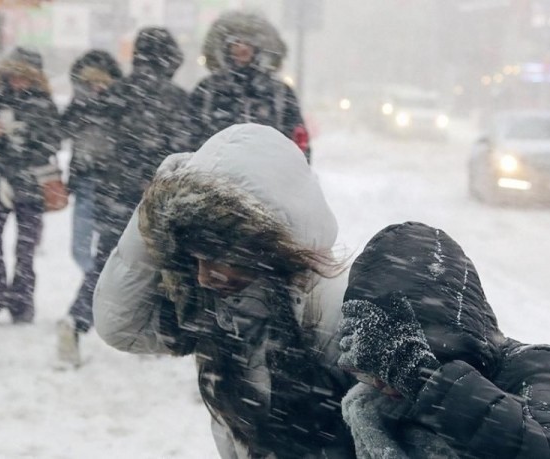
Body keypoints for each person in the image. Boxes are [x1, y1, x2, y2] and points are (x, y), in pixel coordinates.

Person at [93, 123, 356, 457]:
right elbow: (120, 325)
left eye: (219, 257)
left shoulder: (334, 307)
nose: (204, 276)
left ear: (269, 247)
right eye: (195, 258)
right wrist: (156, 210)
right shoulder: (217, 309)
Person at [337, 221, 550, 458]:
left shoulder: (536, 366)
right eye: (369, 372)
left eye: (393, 366)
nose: (380, 384)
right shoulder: (370, 407)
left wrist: (428, 381)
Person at [57, 28, 191, 367]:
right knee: (164, 264)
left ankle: (76, 321)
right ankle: (155, 333)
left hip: (114, 194)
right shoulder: (176, 99)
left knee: (107, 262)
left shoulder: (114, 94)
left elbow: (91, 141)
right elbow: (187, 150)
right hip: (159, 195)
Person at [0, 47, 60, 324]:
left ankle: (21, 304)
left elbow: (52, 142)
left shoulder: (44, 103)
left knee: (25, 249)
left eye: (23, 77)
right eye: (13, 76)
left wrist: (25, 136)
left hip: (30, 185)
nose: (17, 82)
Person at [190, 11, 311, 162]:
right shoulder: (207, 90)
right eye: (236, 43)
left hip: (267, 175)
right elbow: (191, 136)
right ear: (226, 48)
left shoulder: (280, 92)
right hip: (214, 177)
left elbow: (298, 140)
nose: (243, 49)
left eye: (248, 43)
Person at [60, 50, 123, 276]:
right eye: (91, 82)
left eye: (101, 81)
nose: (97, 87)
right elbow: (61, 130)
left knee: (110, 244)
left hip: (112, 182)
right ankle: (93, 282)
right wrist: (81, 105)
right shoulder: (78, 106)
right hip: (84, 179)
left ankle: (92, 289)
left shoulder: (120, 106)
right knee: (80, 247)